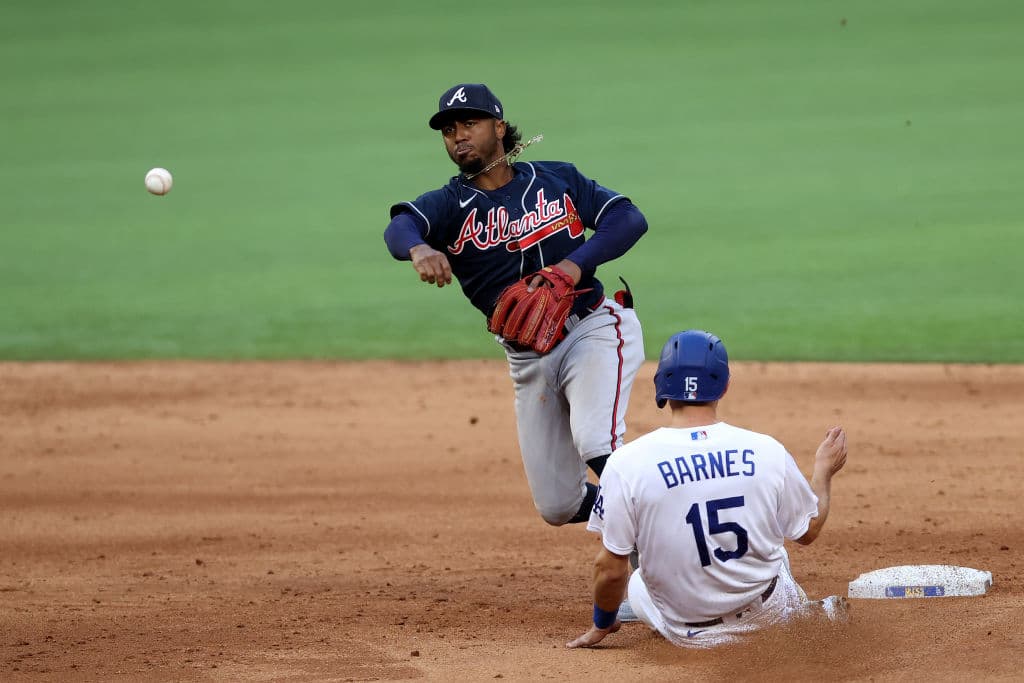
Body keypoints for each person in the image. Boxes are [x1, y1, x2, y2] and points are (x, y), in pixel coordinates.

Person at [384, 83, 648, 526]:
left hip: (592, 329)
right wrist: (417, 249)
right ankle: (656, 504)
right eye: (449, 130)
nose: (458, 136)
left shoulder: (557, 178)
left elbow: (629, 219)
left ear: (500, 128)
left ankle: (661, 560)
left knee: (596, 443)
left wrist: (572, 266)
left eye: (470, 123)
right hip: (528, 359)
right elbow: (402, 224)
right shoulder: (450, 205)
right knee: (558, 506)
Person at [567, 330, 849, 649]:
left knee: (638, 583)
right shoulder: (766, 450)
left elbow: (609, 569)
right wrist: (823, 472)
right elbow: (808, 531)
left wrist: (602, 624)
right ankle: (801, 611)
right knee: (778, 553)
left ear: (661, 386)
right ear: (724, 386)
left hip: (690, 635)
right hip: (766, 617)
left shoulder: (625, 463)